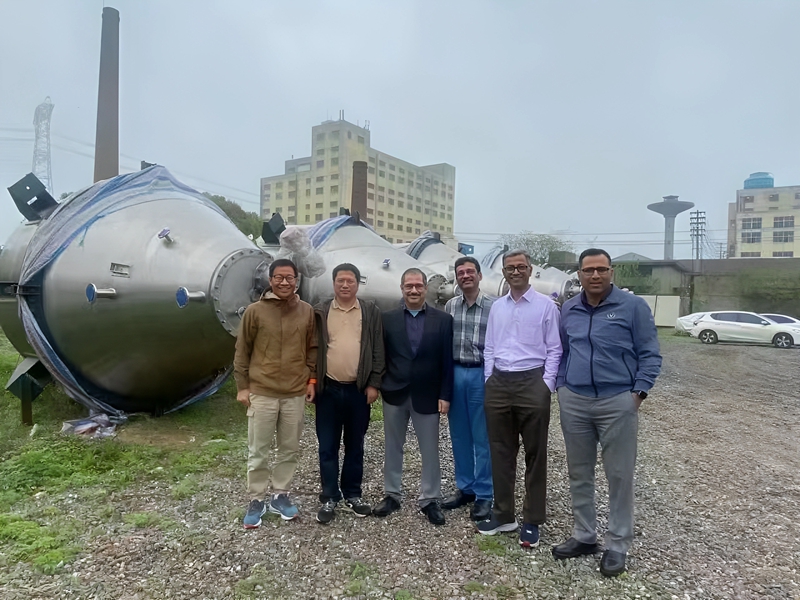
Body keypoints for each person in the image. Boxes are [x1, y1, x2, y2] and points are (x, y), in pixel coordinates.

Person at [553, 248, 662, 576]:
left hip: (617, 401)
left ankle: (618, 544)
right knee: (579, 473)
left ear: (611, 271)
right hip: (575, 400)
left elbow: (650, 353)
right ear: (579, 274)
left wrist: (638, 393)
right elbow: (563, 351)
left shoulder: (633, 307)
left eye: (601, 269)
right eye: (589, 270)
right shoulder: (569, 308)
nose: (595, 275)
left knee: (619, 475)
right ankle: (584, 535)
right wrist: (562, 386)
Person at [477, 249, 562, 549]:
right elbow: (489, 346)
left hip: (531, 382)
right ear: (503, 272)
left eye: (521, 266)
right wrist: (489, 378)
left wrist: (546, 384)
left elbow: (555, 348)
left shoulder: (546, 306)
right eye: (510, 267)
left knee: (535, 454)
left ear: (530, 270)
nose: (515, 271)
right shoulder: (497, 307)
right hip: (499, 382)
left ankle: (532, 520)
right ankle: (503, 514)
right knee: (500, 452)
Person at [234, 258, 317, 528]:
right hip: (262, 391)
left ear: (296, 281)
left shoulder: (306, 311)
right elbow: (242, 350)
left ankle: (280, 495)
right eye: (279, 277)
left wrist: (311, 380)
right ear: (270, 280)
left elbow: (313, 348)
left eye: (289, 278)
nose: (284, 282)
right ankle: (256, 498)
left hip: (294, 392)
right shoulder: (254, 312)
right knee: (258, 450)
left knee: (289, 449)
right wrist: (242, 387)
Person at [372, 267, 454, 525]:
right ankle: (392, 494)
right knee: (392, 446)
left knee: (430, 449)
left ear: (426, 288)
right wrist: (381, 384)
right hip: (394, 392)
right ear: (402, 288)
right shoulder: (387, 319)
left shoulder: (443, 320)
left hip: (428, 394)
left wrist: (445, 394)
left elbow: (447, 361)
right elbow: (381, 355)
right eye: (409, 286)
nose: (414, 290)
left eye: (419, 285)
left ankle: (430, 498)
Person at [313, 263, 385, 524]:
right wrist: (312, 381)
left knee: (355, 445)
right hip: (328, 390)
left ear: (357, 283)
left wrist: (374, 383)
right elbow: (312, 348)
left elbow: (378, 349)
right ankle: (330, 495)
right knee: (327, 446)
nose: (345, 285)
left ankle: (353, 493)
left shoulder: (370, 311)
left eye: (350, 281)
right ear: (333, 283)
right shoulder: (320, 311)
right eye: (340, 280)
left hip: (358, 390)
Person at [441, 256, 494, 521]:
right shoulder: (450, 306)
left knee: (482, 436)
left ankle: (485, 492)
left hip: (481, 373)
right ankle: (466, 487)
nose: (465, 276)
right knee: (459, 435)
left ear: (480, 276)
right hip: (456, 372)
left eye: (470, 271)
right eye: (460, 272)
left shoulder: (494, 307)